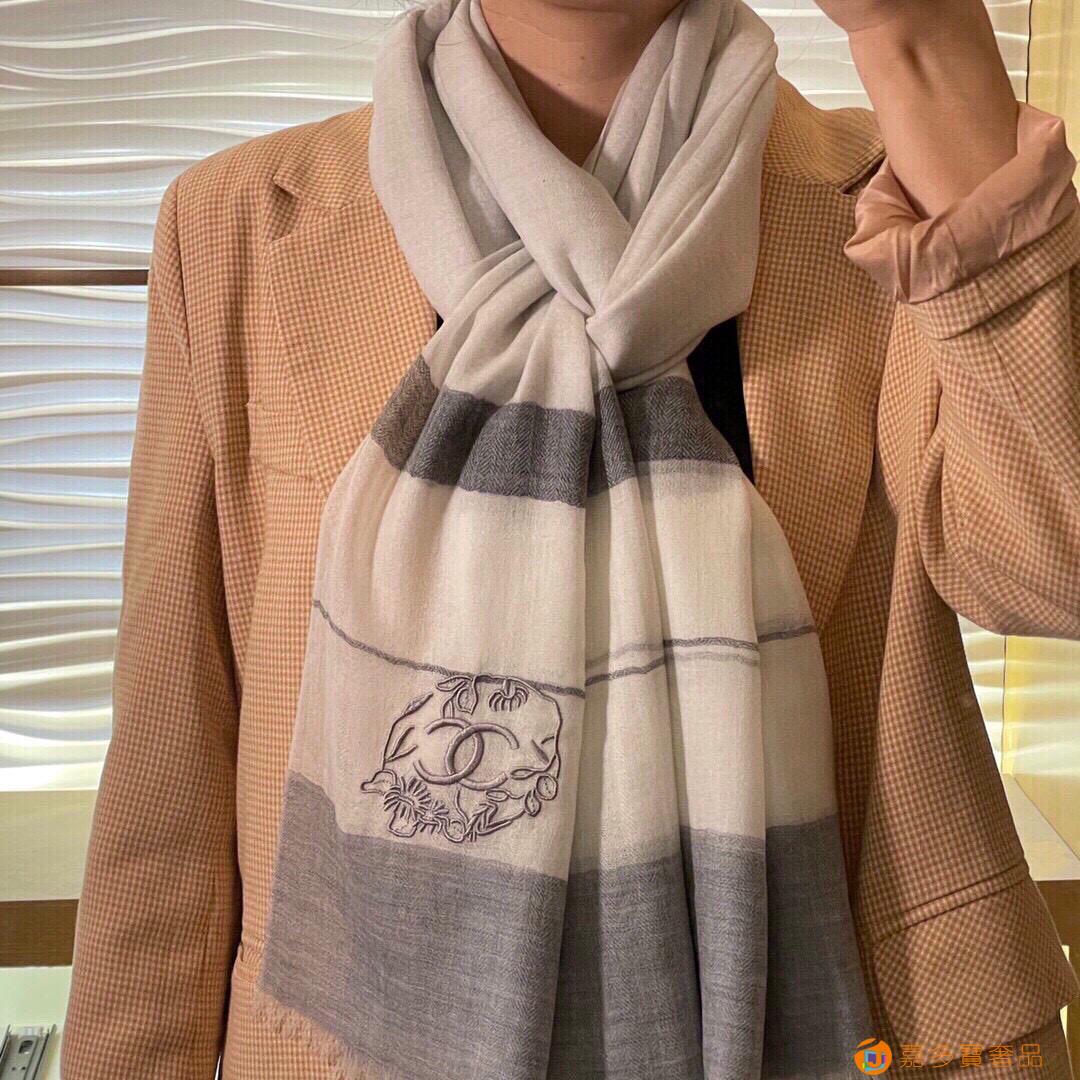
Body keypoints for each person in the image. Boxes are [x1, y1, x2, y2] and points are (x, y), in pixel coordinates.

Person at [62, 0, 1080, 1077]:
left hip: (863, 1029)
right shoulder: (237, 227)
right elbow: (171, 758)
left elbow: (1051, 565)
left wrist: (916, 35)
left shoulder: (894, 191)